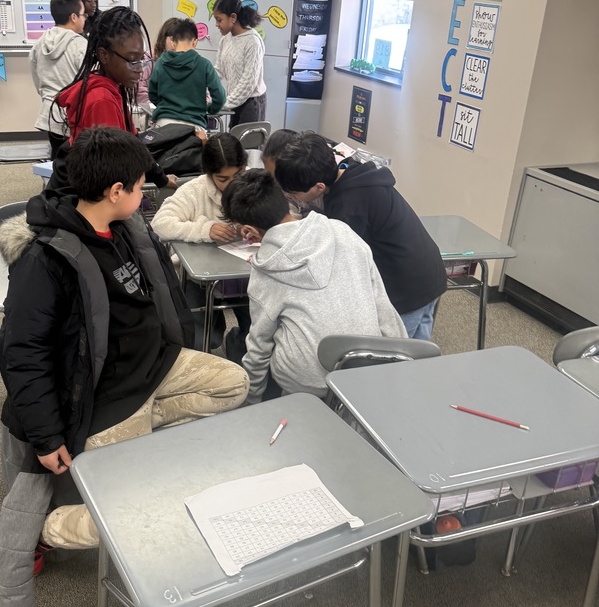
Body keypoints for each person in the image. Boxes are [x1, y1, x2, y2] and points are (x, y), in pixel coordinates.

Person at [0, 127, 249, 607]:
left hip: (155, 367)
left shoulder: (127, 227)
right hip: (106, 397)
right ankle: (47, 529)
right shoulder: (45, 261)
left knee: (234, 384)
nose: (145, 194)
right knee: (131, 521)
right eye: (139, 186)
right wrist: (47, 437)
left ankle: (146, 425)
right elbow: (22, 353)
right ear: (115, 192)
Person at [221, 169, 406, 404]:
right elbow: (383, 306)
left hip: (307, 382)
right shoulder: (342, 231)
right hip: (364, 368)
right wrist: (398, 366)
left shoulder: (265, 270)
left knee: (257, 344)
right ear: (285, 200)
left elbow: (259, 345)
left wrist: (252, 402)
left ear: (250, 230)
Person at [274, 132, 447, 340]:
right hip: (428, 270)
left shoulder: (348, 206)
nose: (290, 197)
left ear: (319, 187)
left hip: (406, 287)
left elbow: (337, 264)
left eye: (293, 194)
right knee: (419, 356)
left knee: (396, 359)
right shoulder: (349, 167)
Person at [49, 5, 175, 190]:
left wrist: (159, 177)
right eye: (132, 60)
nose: (140, 68)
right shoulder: (101, 100)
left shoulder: (113, 87)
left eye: (141, 59)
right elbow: (109, 173)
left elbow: (132, 143)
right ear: (104, 55)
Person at [151, 132, 249, 353]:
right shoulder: (194, 190)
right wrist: (205, 230)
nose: (231, 184)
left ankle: (242, 343)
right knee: (204, 338)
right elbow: (160, 224)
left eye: (238, 175)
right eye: (223, 179)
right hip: (202, 277)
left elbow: (281, 217)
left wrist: (258, 228)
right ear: (209, 174)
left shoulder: (253, 182)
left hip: (246, 273)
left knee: (257, 327)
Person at [30, 0, 87, 156]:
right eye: (83, 14)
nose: (84, 19)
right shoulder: (80, 45)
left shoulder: (39, 43)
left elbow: (37, 79)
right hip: (74, 116)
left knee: (58, 161)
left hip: (50, 114)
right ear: (74, 17)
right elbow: (89, 81)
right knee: (79, 165)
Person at [148, 17, 225, 130]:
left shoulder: (161, 63)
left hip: (164, 124)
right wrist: (209, 109)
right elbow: (220, 97)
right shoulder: (204, 65)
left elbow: (152, 93)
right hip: (194, 126)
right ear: (195, 42)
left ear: (173, 42)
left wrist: (164, 106)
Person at [212, 0, 266, 128]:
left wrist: (224, 104)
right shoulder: (225, 39)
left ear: (233, 17)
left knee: (248, 148)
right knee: (234, 146)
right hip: (235, 100)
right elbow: (218, 70)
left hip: (251, 103)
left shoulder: (252, 41)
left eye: (219, 20)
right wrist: (204, 90)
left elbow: (248, 82)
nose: (216, 24)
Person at [136, 16, 178, 110]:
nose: (176, 44)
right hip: (153, 110)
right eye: (172, 39)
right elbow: (139, 90)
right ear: (164, 38)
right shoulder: (149, 58)